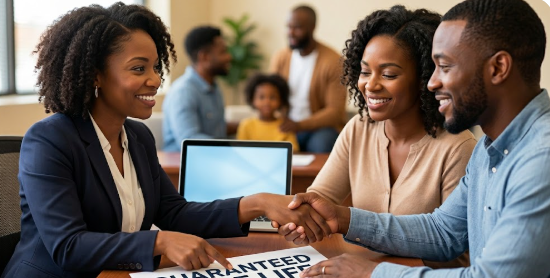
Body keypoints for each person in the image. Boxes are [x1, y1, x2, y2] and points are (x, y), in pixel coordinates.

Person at [0, 4, 332, 278]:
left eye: (156, 67)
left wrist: (257, 203)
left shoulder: (139, 138)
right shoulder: (49, 140)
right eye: (138, 68)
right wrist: (158, 243)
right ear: (95, 75)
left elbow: (176, 213)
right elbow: (68, 247)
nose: (155, 79)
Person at [281, 0, 550, 277]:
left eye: (445, 66)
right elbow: (443, 232)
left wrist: (372, 274)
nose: (431, 83)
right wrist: (343, 217)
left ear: (497, 68)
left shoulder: (541, 160)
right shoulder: (489, 147)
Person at [280, 5, 476, 269]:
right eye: (364, 71)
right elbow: (321, 197)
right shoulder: (358, 129)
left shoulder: (458, 147)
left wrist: (375, 270)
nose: (370, 85)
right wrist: (303, 219)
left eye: (388, 74)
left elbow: (453, 251)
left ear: (425, 77)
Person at [269, 5, 347, 153]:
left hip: (320, 129)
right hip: (285, 124)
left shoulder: (333, 61)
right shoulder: (280, 58)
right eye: (288, 27)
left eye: (297, 28)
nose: (290, 33)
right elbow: (270, 94)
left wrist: (299, 125)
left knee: (323, 143)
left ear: (312, 27)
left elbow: (335, 112)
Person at [162, 26, 237, 152]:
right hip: (181, 167)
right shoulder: (183, 92)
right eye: (223, 52)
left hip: (212, 160)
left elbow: (217, 129)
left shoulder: (213, 87)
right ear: (204, 57)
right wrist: (233, 150)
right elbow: (190, 140)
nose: (229, 57)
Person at [236, 73, 300, 152]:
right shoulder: (245, 125)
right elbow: (240, 151)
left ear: (281, 100)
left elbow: (294, 151)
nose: (267, 102)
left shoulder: (285, 125)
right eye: (261, 97)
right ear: (252, 100)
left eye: (272, 97)